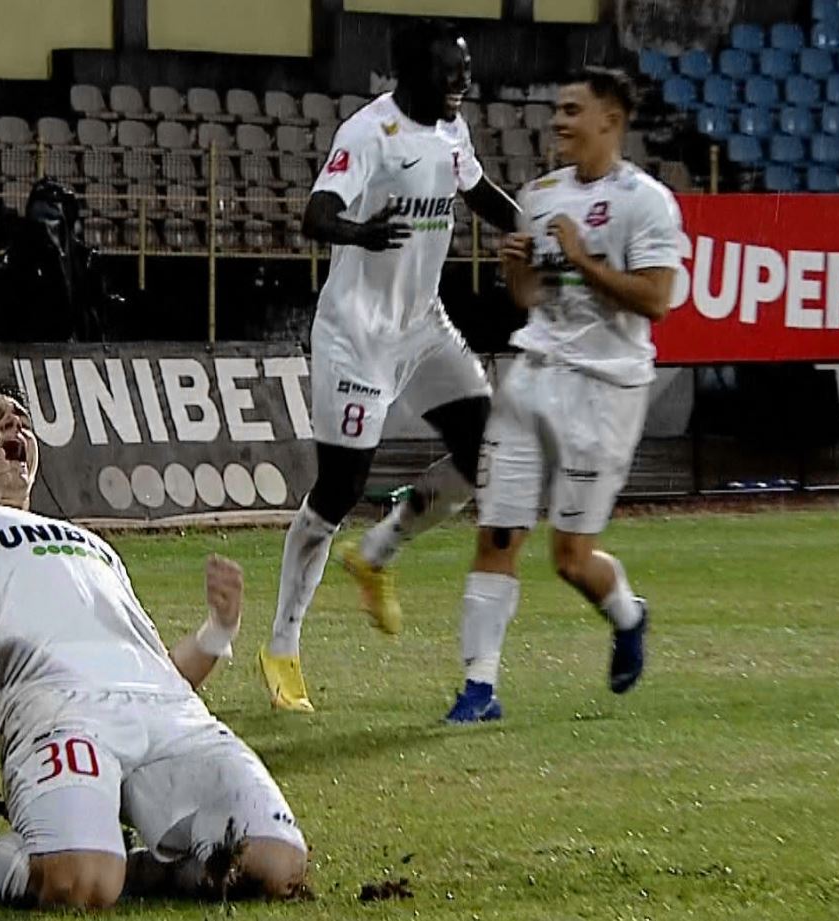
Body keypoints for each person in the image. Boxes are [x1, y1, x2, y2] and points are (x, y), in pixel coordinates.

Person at [0, 378, 308, 910]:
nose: (14, 425)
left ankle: (132, 864)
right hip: (56, 711)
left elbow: (155, 669)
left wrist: (218, 631)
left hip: (169, 714)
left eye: (20, 418)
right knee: (76, 883)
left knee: (274, 864)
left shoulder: (94, 546)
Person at [257, 19, 520, 713]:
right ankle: (281, 643)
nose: (462, 80)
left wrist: (535, 229)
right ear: (410, 74)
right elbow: (315, 216)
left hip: (422, 327)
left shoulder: (450, 129)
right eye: (448, 70)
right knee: (339, 487)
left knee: (484, 450)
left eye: (465, 68)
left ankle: (376, 551)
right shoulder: (368, 134)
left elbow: (480, 193)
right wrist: (360, 231)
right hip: (356, 337)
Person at [449, 67, 682, 723]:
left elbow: (656, 300)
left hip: (604, 389)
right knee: (497, 532)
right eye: (556, 108)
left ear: (610, 119)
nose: (557, 120)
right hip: (534, 373)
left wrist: (580, 258)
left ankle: (628, 614)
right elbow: (530, 299)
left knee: (570, 557)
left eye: (571, 109)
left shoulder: (648, 202)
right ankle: (478, 689)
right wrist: (518, 270)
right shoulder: (541, 193)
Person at [0, 179, 119, 342]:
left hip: (80, 345)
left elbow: (96, 303)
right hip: (37, 344)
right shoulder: (21, 255)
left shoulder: (85, 258)